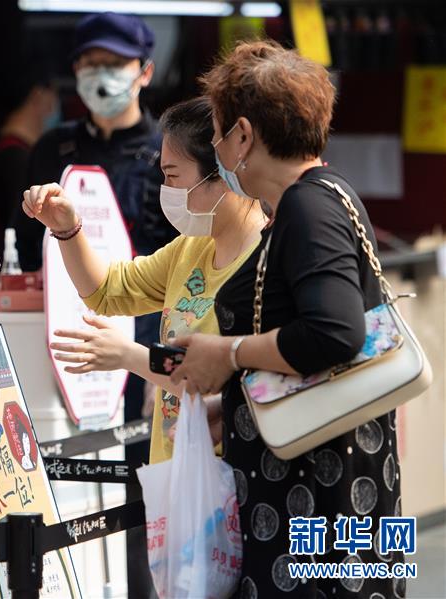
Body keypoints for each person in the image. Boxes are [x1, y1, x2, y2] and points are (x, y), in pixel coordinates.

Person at [168, 40, 403, 597]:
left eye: (221, 132)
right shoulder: (326, 197)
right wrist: (238, 402)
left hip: (315, 494)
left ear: (245, 135)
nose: (220, 149)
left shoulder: (307, 206)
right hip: (330, 475)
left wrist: (225, 355)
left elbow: (333, 333)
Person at [10, 15, 176, 593]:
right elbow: (24, 252)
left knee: (140, 484)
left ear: (144, 71)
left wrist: (157, 356)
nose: (98, 76)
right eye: (87, 65)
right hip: (62, 344)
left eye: (112, 64)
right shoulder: (53, 150)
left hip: (144, 347)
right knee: (72, 479)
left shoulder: (168, 153)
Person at [22, 96, 266, 467]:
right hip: (177, 466)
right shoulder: (190, 249)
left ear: (222, 173)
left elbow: (222, 381)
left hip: (231, 475)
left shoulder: (266, 258)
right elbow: (107, 291)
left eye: (172, 176)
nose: (165, 189)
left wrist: (129, 355)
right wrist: (67, 229)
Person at [0, 80, 59, 247]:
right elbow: (24, 228)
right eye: (55, 96)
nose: (56, 106)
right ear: (38, 95)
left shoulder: (11, 149)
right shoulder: (15, 156)